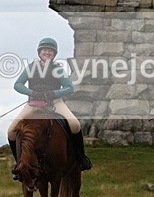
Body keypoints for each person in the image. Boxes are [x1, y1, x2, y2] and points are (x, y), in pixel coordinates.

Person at [6, 38, 92, 179]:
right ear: (39, 52)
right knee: (11, 131)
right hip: (33, 103)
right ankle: (19, 163)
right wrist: (32, 93)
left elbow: (69, 88)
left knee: (75, 124)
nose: (47, 52)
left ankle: (81, 158)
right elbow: (18, 85)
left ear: (54, 53)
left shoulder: (58, 69)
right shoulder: (31, 67)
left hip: (55, 103)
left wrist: (53, 93)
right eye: (44, 50)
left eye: (50, 51)